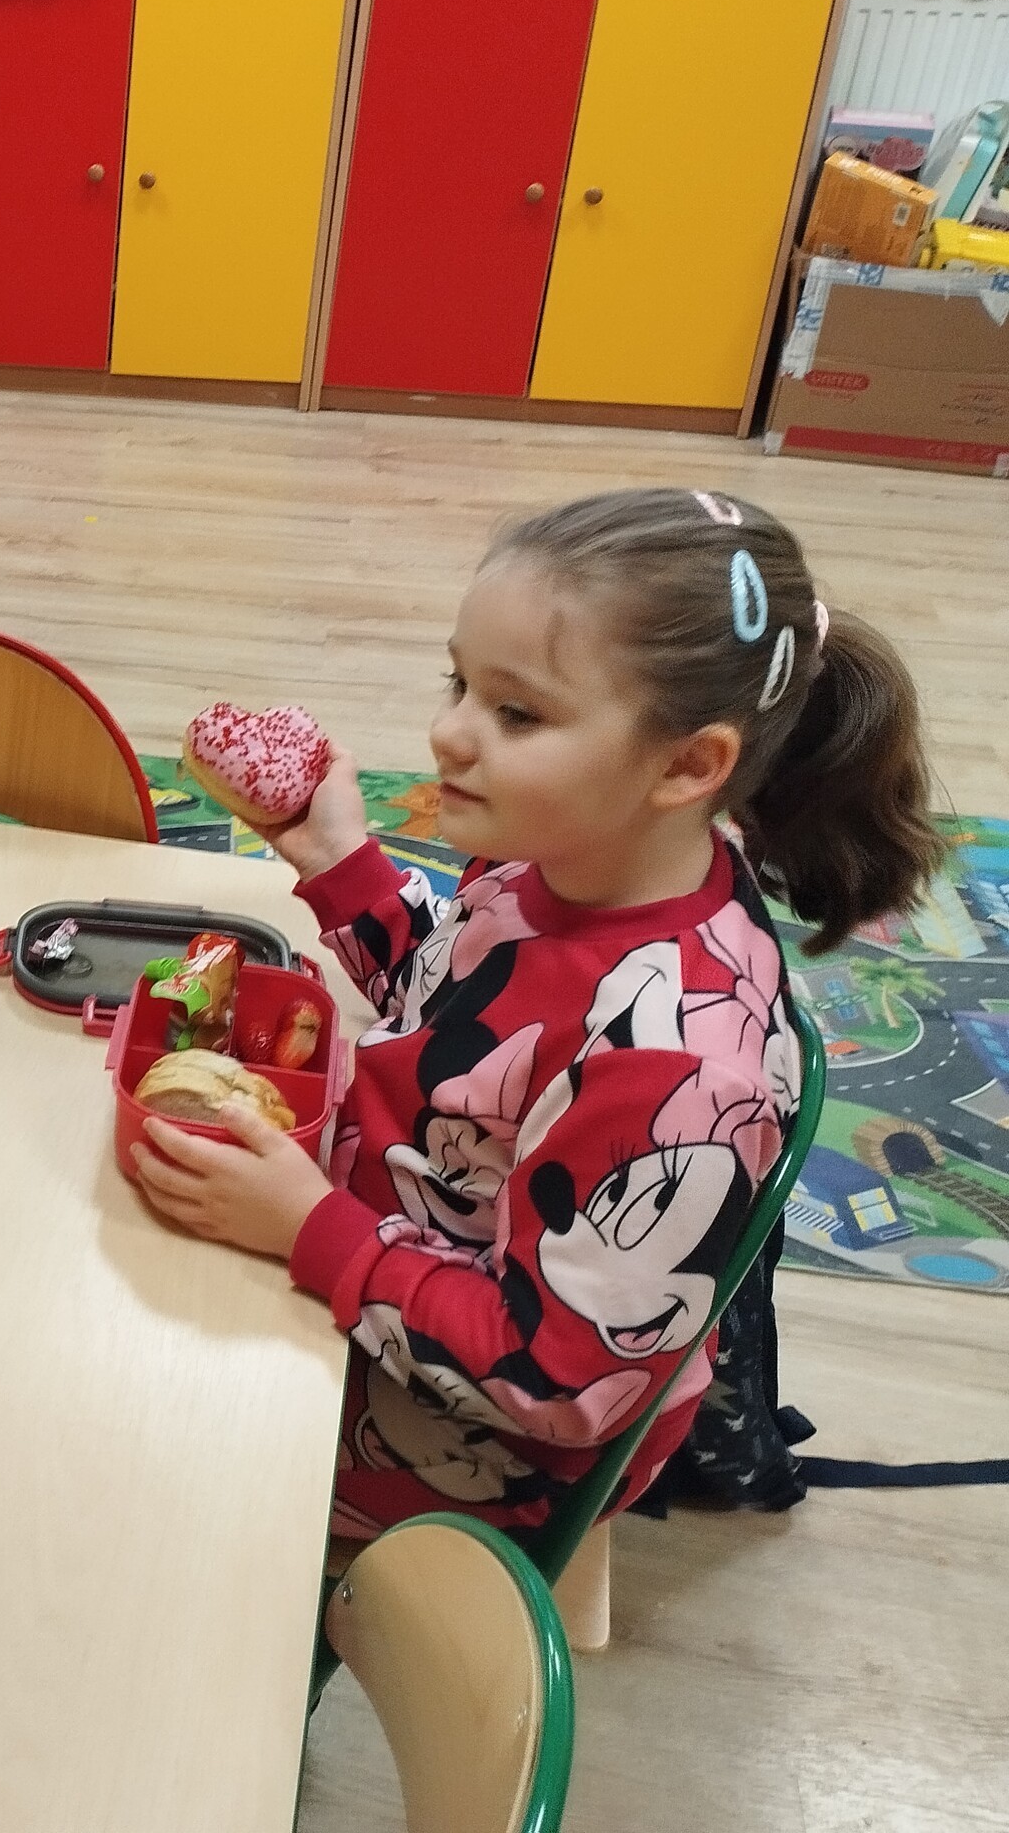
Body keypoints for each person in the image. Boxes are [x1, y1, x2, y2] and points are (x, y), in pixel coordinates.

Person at [131, 488, 943, 1538]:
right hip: (377, 1241)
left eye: (515, 713)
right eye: (459, 684)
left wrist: (309, 1227)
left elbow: (552, 1382)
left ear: (688, 764)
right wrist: (338, 860)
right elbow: (462, 1016)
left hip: (465, 1443)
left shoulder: (678, 1070)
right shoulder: (559, 859)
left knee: (129, 1447)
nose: (446, 732)